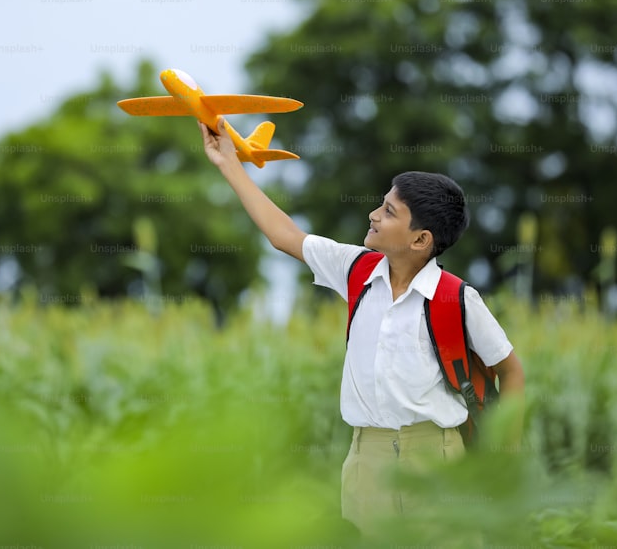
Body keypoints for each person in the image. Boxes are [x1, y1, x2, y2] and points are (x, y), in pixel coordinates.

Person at [198, 117, 525, 536]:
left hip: (439, 456)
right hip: (365, 455)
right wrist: (229, 162)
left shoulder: (457, 299)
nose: (373, 214)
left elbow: (511, 371)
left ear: (420, 240)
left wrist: (504, 462)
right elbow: (284, 235)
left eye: (388, 211)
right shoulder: (355, 268)